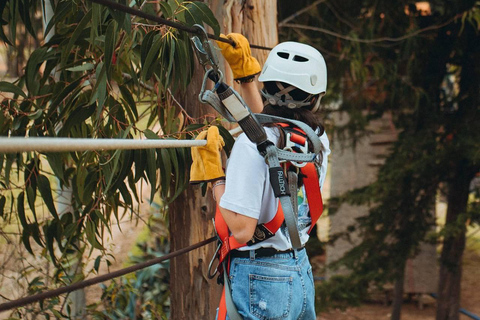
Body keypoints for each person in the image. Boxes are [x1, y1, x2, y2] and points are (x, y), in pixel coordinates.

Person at [191, 34, 330, 320]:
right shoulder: (317, 140)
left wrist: (215, 177)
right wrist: (245, 80)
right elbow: (267, 135)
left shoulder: (248, 146)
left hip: (261, 279)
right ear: (315, 99)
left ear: (267, 87)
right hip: (298, 270)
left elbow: (241, 229)